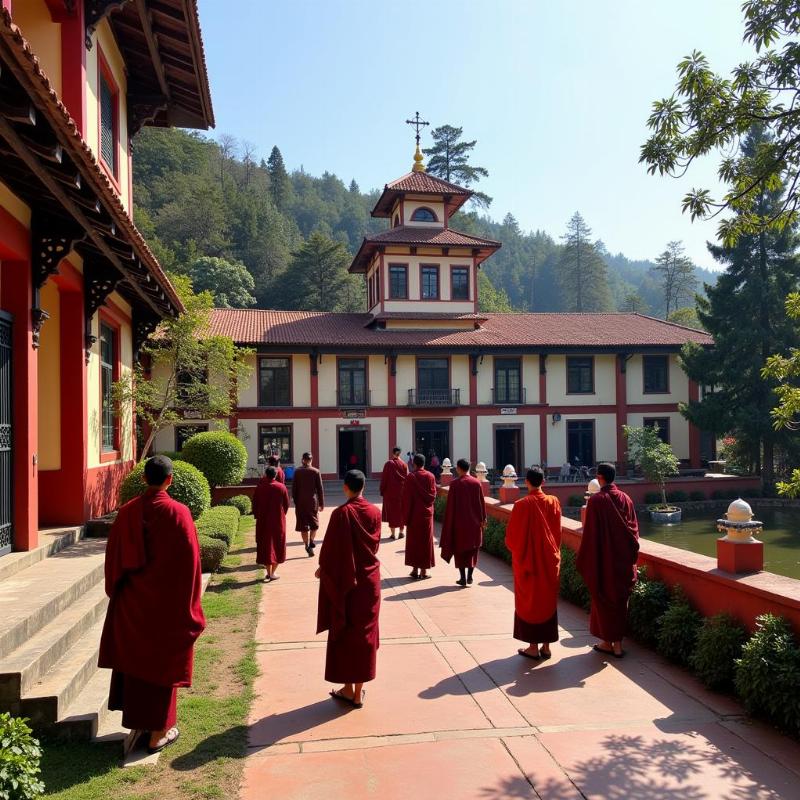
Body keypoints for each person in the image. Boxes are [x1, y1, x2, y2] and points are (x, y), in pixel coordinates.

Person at [99, 455, 205, 754]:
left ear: (144, 479)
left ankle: (143, 725)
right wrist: (190, 606)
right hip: (166, 606)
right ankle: (158, 733)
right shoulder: (179, 513)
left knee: (137, 662)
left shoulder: (127, 512)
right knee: (162, 664)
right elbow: (190, 565)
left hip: (134, 604)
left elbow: (114, 562)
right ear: (170, 479)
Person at [315, 469, 381, 709]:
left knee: (344, 631)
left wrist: (323, 568)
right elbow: (374, 547)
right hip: (369, 582)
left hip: (346, 582)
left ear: (346, 487)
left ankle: (348, 688)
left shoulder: (341, 514)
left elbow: (331, 549)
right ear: (364, 486)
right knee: (364, 635)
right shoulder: (374, 512)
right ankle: (356, 692)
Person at [576, 462, 640, 658]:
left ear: (599, 477)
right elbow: (634, 532)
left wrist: (584, 559)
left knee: (603, 601)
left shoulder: (596, 501)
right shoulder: (626, 498)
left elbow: (591, 535)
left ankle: (606, 642)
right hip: (623, 564)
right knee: (620, 603)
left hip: (604, 564)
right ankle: (618, 645)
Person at [505, 467, 562, 660]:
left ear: (526, 482)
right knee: (546, 601)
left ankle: (532, 646)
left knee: (531, 602)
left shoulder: (522, 505)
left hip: (529, 564)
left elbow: (512, 539)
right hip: (548, 562)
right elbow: (557, 534)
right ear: (543, 482)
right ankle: (546, 647)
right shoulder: (554, 502)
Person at [440, 459, 486, 587]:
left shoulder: (455, 484)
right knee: (473, 551)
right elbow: (481, 503)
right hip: (474, 524)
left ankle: (463, 578)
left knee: (460, 551)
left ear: (459, 468)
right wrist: (483, 519)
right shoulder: (476, 483)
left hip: (459, 524)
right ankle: (470, 575)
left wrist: (448, 523)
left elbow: (450, 507)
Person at [401, 453, 437, 579]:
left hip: (414, 514)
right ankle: (424, 571)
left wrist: (406, 516)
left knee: (414, 542)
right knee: (426, 542)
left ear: (414, 464)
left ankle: (415, 569)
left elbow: (406, 498)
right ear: (424, 463)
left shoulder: (410, 477)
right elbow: (433, 497)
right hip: (426, 514)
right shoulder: (431, 476)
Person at [253, 465, 290, 582]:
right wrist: (282, 514)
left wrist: (257, 515)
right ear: (275, 475)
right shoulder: (281, 487)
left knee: (265, 545)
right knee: (277, 545)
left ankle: (268, 572)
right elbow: (286, 505)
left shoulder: (260, 487)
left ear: (265, 474)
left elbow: (255, 503)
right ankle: (272, 573)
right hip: (277, 520)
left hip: (263, 520)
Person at [292, 452, 325, 557]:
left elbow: (294, 489)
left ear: (303, 459)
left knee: (303, 526)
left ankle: (306, 545)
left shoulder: (297, 472)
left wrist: (296, 502)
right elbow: (320, 489)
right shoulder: (315, 471)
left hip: (301, 503)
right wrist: (321, 503)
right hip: (312, 502)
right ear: (311, 460)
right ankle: (311, 541)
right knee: (314, 524)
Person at [380, 446, 408, 540]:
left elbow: (384, 479)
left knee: (392, 513)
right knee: (401, 512)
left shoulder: (388, 464)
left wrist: (382, 490)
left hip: (390, 493)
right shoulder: (404, 464)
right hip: (402, 493)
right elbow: (407, 478)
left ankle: (393, 534)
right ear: (400, 453)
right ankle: (401, 532)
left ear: (393, 453)